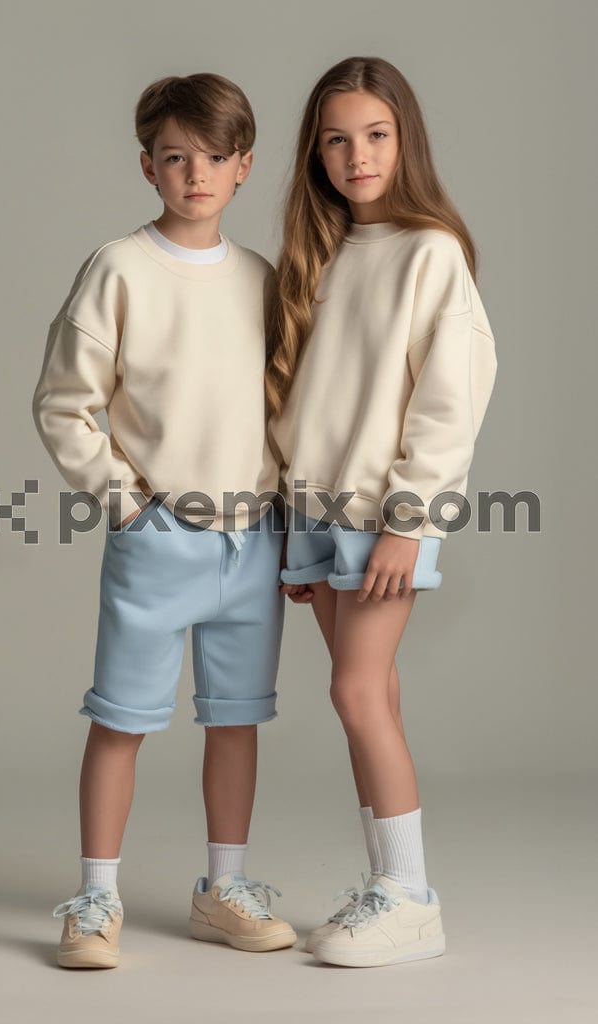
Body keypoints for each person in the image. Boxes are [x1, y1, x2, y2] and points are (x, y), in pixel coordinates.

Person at [32, 72, 296, 969]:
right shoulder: (118, 269)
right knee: (122, 718)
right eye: (176, 158)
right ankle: (95, 898)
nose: (195, 175)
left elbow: (282, 413)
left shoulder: (262, 283)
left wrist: (290, 521)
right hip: (158, 539)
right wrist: (127, 506)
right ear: (148, 166)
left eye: (214, 159)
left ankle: (222, 888)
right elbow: (65, 405)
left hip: (252, 540)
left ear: (243, 167)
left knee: (236, 718)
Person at [266, 55, 498, 968]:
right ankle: (387, 884)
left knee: (355, 692)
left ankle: (410, 898)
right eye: (335, 137)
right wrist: (293, 532)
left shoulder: (430, 251)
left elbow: (450, 399)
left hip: (381, 513)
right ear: (314, 152)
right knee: (376, 695)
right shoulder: (319, 256)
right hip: (315, 513)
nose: (355, 154)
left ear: (404, 141)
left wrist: (409, 520)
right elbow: (302, 403)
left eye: (374, 134)